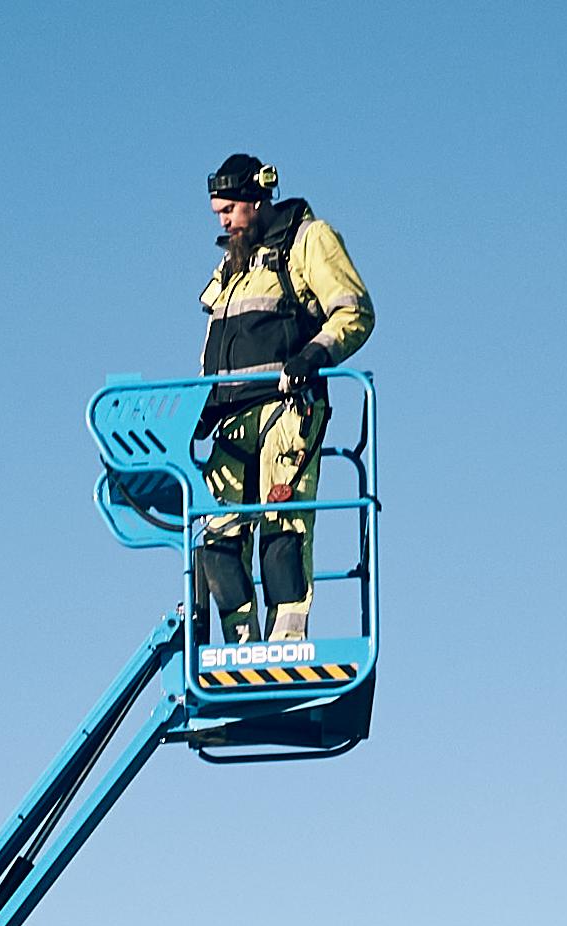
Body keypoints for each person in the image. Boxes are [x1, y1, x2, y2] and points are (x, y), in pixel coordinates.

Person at [192, 154, 371, 647]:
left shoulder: (308, 241)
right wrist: (197, 409)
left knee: (281, 530)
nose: (224, 220)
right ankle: (241, 646)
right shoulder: (233, 264)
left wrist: (314, 354)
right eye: (218, 213)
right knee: (217, 538)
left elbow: (354, 312)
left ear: (256, 199)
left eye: (229, 209)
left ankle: (286, 642)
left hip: (286, 411)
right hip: (231, 421)